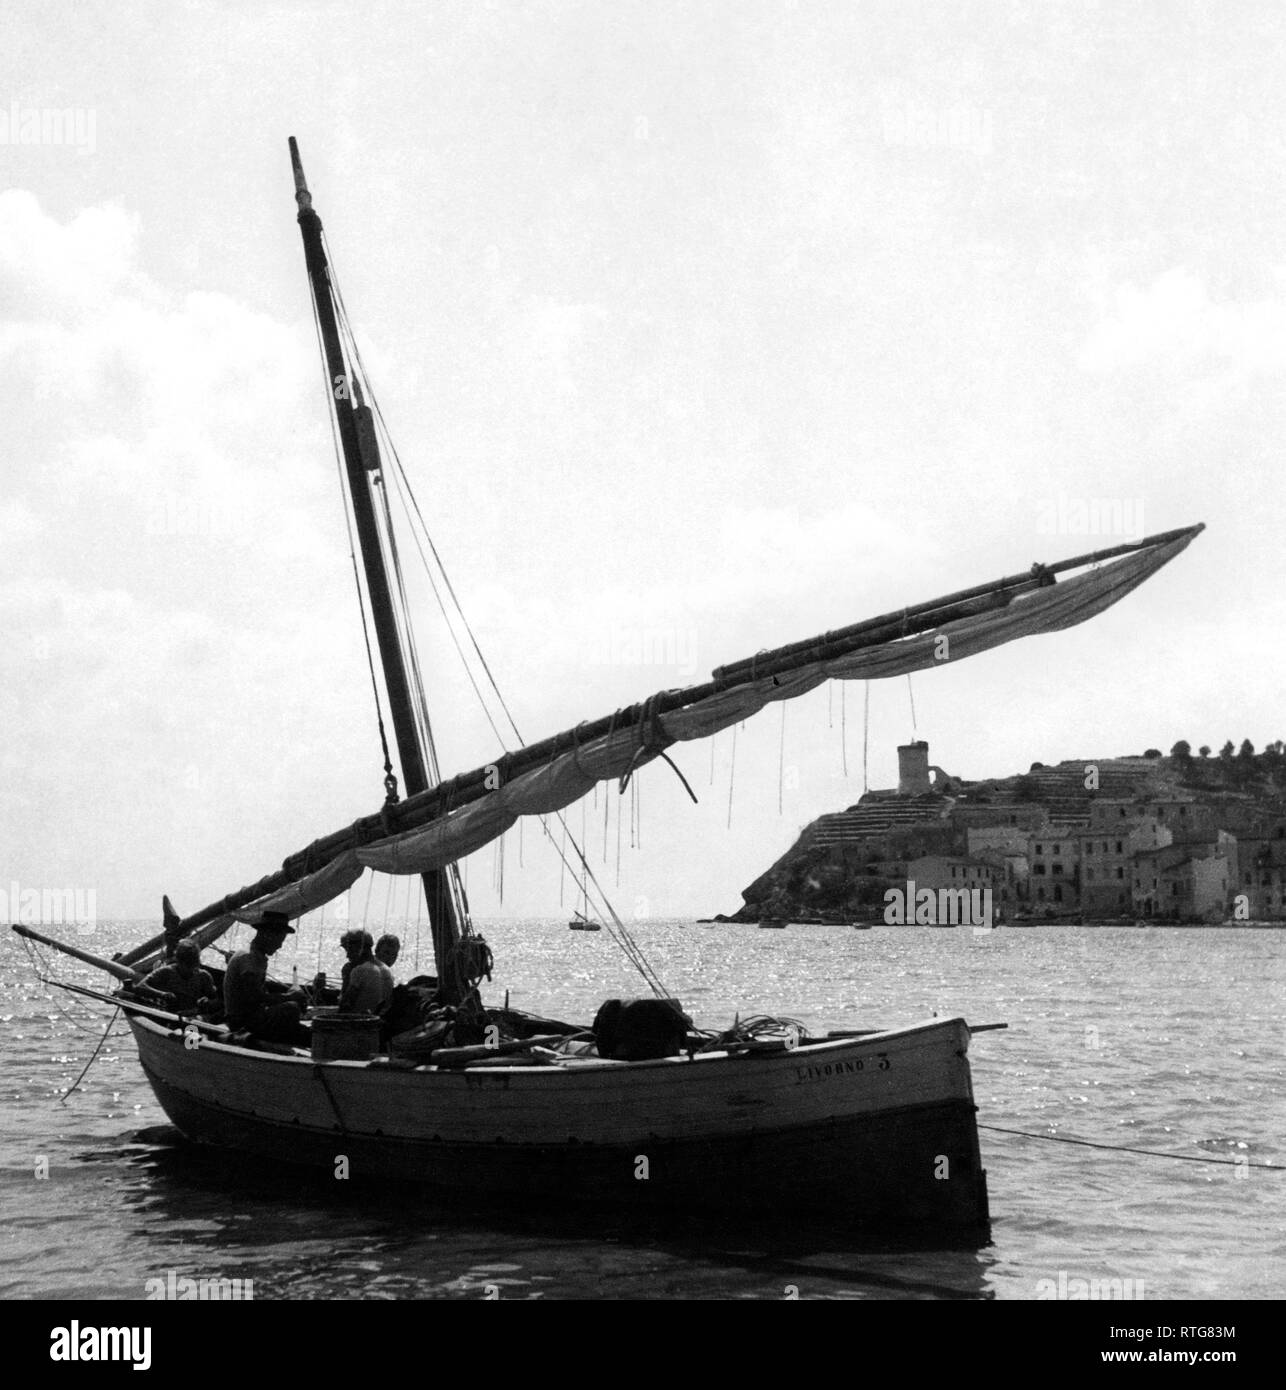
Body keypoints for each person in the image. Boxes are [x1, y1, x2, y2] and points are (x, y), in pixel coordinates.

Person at [224, 910, 309, 1045]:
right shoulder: (249, 958)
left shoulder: (255, 957)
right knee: (291, 1008)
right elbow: (254, 998)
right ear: (267, 934)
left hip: (250, 1018)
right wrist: (289, 998)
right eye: (279, 940)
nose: (280, 946)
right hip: (242, 1022)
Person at [139, 939, 216, 1014]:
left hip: (192, 1017)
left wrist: (207, 1001)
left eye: (192, 964)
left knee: (192, 1027)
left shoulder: (204, 976)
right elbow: (140, 986)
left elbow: (216, 1000)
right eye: (187, 964)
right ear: (179, 961)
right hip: (168, 1015)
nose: (190, 969)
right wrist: (162, 994)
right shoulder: (166, 972)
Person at [338, 929, 394, 1016]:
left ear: (360, 948)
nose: (347, 955)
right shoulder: (386, 969)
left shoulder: (360, 971)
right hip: (377, 1022)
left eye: (349, 950)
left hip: (359, 1023)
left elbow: (344, 1007)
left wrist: (346, 979)